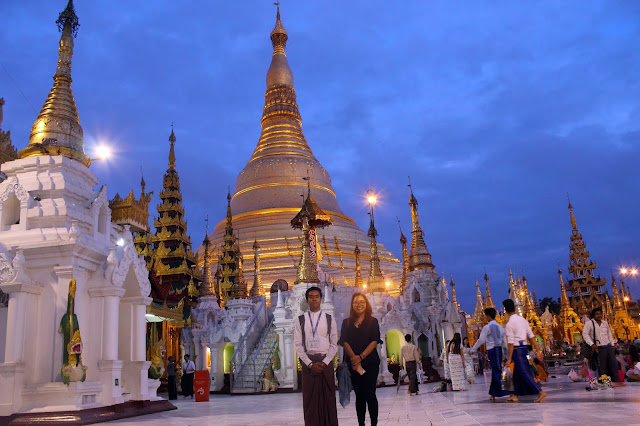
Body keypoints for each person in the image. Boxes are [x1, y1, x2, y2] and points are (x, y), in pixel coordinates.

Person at [293, 286, 339, 426]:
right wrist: (310, 364)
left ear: (321, 299)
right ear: (307, 300)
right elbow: (298, 345)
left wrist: (325, 362)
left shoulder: (329, 319)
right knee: (310, 402)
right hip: (309, 365)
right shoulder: (300, 320)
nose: (314, 299)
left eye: (317, 296)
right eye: (311, 297)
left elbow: (334, 343)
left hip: (326, 363)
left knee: (328, 399)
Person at [339, 292, 381, 426]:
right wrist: (354, 358)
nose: (359, 304)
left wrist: (361, 356)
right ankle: (361, 423)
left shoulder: (373, 321)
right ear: (352, 305)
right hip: (353, 364)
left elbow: (374, 340)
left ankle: (374, 423)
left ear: (366, 304)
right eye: (356, 302)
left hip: (370, 362)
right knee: (359, 395)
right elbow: (344, 341)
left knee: (370, 394)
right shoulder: (346, 323)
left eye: (362, 302)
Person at [503, 299, 547, 403]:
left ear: (505, 310)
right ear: (514, 307)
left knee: (524, 372)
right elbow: (531, 336)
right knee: (517, 373)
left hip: (517, 349)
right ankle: (515, 395)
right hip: (524, 348)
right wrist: (538, 350)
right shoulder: (523, 320)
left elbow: (511, 343)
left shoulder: (509, 324)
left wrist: (509, 359)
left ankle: (539, 391)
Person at [470, 307, 510, 401]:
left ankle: (507, 391)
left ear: (488, 316)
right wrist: (506, 355)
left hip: (492, 350)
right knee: (496, 370)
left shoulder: (487, 327)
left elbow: (481, 340)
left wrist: (472, 349)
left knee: (497, 371)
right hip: (499, 350)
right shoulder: (500, 327)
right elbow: (504, 343)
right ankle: (493, 393)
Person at [582, 307, 619, 382]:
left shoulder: (605, 323)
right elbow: (585, 334)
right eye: (597, 314)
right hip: (598, 347)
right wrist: (591, 344)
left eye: (600, 314)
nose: (599, 315)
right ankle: (604, 381)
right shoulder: (589, 323)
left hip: (607, 346)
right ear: (594, 315)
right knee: (602, 366)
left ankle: (615, 381)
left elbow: (609, 334)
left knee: (614, 364)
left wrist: (612, 344)